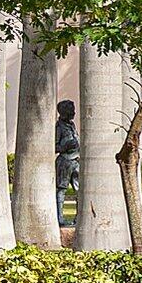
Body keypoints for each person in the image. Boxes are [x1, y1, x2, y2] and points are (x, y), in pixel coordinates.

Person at [52, 99, 81, 236]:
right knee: (61, 190)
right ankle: (60, 218)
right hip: (64, 161)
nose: (74, 112)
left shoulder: (72, 125)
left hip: (76, 161)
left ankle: (78, 218)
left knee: (79, 190)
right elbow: (54, 146)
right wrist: (65, 146)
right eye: (71, 110)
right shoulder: (59, 127)